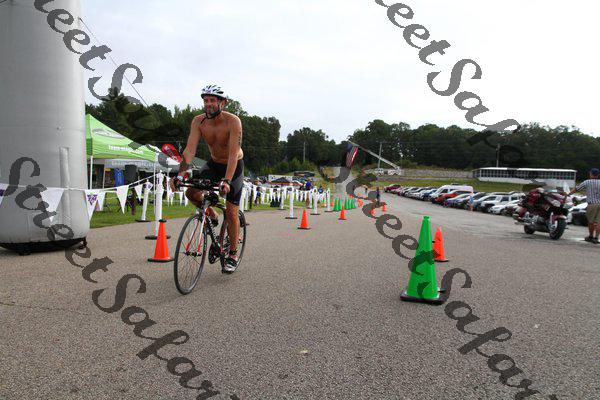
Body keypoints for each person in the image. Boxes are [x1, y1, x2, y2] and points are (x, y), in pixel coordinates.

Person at [170, 84, 244, 273]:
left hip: (233, 165)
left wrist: (227, 181)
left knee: (232, 212)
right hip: (214, 163)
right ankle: (212, 214)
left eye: (212, 100)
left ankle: (233, 254)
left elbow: (233, 154)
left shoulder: (233, 121)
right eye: (205, 100)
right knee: (191, 192)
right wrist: (180, 174)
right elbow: (190, 150)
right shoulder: (199, 121)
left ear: (222, 103)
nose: (208, 104)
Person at [568, 168, 600, 244]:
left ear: (591, 174)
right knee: (599, 222)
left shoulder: (587, 182)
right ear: (598, 175)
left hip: (592, 204)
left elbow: (577, 189)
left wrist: (568, 194)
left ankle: (591, 236)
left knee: (591, 221)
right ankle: (596, 238)